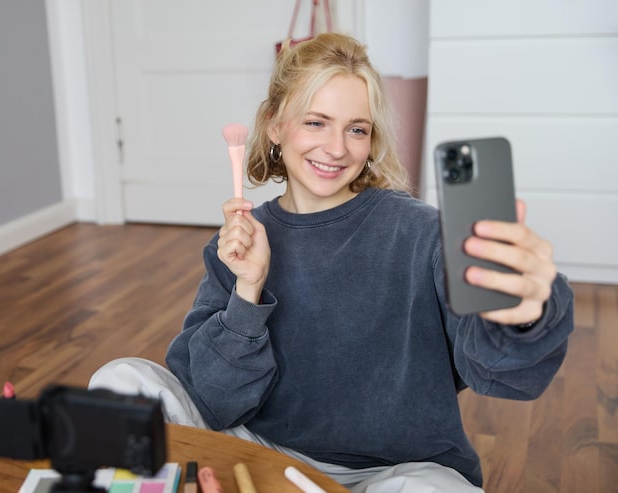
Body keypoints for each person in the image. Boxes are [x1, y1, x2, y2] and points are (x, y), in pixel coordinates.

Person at [90, 33, 574, 492]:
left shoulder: (423, 232)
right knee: (120, 381)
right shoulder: (240, 243)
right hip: (260, 453)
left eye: (356, 129)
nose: (337, 147)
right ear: (275, 125)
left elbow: (501, 374)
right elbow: (212, 400)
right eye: (316, 122)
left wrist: (525, 314)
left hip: (396, 471)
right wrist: (247, 293)